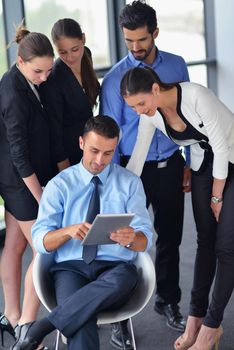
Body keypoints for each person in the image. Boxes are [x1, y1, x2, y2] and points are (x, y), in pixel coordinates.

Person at [10, 115, 153, 350]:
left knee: (124, 278)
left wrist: (133, 238)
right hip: (71, 269)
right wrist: (68, 231)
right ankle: (55, 321)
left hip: (115, 270)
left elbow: (145, 239)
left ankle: (42, 328)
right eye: (94, 150)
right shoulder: (59, 185)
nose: (100, 160)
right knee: (81, 320)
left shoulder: (130, 183)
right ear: (81, 143)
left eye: (108, 153)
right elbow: (40, 240)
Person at [120, 66, 234, 350]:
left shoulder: (196, 96)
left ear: (155, 90)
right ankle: (195, 318)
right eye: (132, 107)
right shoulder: (152, 116)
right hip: (203, 166)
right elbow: (137, 160)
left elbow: (220, 146)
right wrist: (118, 194)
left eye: (140, 103)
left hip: (230, 160)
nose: (138, 112)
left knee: (226, 248)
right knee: (205, 241)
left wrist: (217, 197)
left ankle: (211, 328)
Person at [100, 0, 190, 345]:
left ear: (155, 33)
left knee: (170, 238)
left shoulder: (178, 66)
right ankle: (121, 314)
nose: (136, 48)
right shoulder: (113, 81)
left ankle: (168, 301)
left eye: (142, 40)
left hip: (170, 165)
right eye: (129, 42)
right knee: (124, 243)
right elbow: (110, 133)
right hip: (129, 170)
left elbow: (186, 119)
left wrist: (186, 160)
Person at [0, 25, 56, 348]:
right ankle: (27, 327)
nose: (45, 78)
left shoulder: (24, 78)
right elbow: (20, 155)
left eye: (48, 70)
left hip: (17, 177)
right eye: (39, 71)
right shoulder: (13, 92)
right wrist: (42, 197)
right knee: (44, 249)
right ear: (21, 61)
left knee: (14, 245)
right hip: (20, 181)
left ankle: (10, 314)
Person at [40, 18, 100, 172]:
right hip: (69, 154)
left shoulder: (87, 55)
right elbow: (55, 133)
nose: (70, 57)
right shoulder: (53, 80)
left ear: (84, 39)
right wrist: (66, 172)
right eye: (62, 52)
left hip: (91, 147)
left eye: (75, 49)